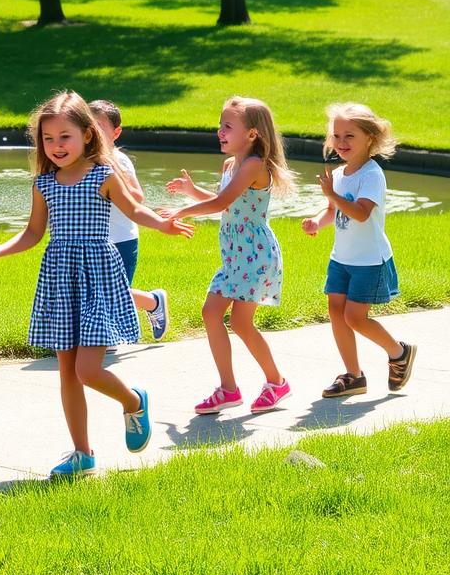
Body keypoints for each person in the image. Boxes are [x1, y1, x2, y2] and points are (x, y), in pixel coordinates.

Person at [0, 91, 193, 479]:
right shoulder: (44, 183)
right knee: (67, 371)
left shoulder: (104, 175)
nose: (56, 146)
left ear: (88, 135)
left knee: (88, 370)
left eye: (65, 137)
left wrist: (161, 223)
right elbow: (33, 233)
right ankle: (82, 453)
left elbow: (135, 209)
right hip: (60, 278)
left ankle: (133, 400)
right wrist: (0, 249)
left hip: (97, 275)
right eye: (48, 139)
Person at [164, 96, 292, 415]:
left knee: (240, 322)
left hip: (255, 254)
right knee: (212, 313)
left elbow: (221, 204)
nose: (220, 131)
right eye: (220, 125)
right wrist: (192, 192)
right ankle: (228, 389)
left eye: (228, 126)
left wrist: (183, 209)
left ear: (252, 134)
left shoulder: (253, 165)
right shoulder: (231, 165)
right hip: (237, 257)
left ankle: (276, 383)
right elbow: (226, 199)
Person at [302, 103, 416, 397]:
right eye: (336, 136)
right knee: (336, 312)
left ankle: (398, 352)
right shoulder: (339, 174)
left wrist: (332, 195)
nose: (341, 142)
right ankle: (353, 376)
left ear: (370, 138)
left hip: (369, 261)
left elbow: (362, 213)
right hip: (341, 259)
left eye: (349, 136)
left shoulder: (372, 175)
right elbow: (333, 210)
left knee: (355, 317)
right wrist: (317, 221)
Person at [89, 100, 169, 340]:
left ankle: (153, 302)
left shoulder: (119, 160)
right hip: (91, 240)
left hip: (121, 239)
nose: (92, 130)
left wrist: (112, 168)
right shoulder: (80, 159)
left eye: (99, 126)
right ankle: (97, 337)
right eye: (87, 124)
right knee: (92, 292)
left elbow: (137, 196)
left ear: (116, 132)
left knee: (115, 293)